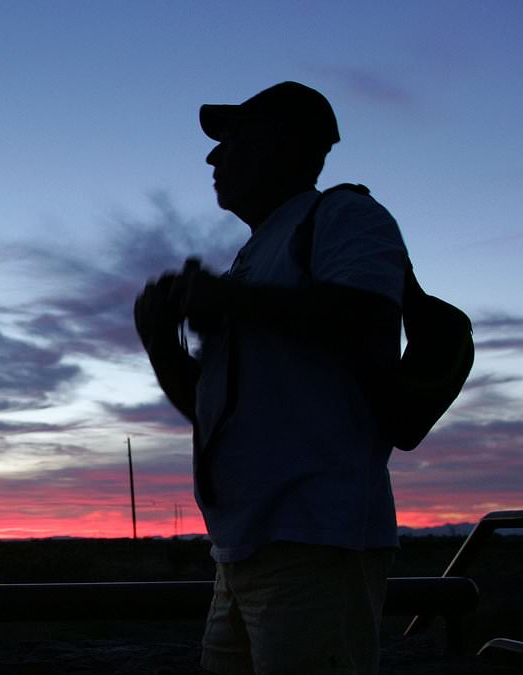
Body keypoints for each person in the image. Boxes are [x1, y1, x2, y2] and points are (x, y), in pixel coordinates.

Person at [133, 82, 406, 674]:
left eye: (230, 141)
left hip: (315, 539)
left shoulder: (345, 216)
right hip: (242, 550)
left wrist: (230, 302)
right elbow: (216, 412)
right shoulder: (254, 256)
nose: (213, 158)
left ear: (281, 147)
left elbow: (371, 317)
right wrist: (159, 340)